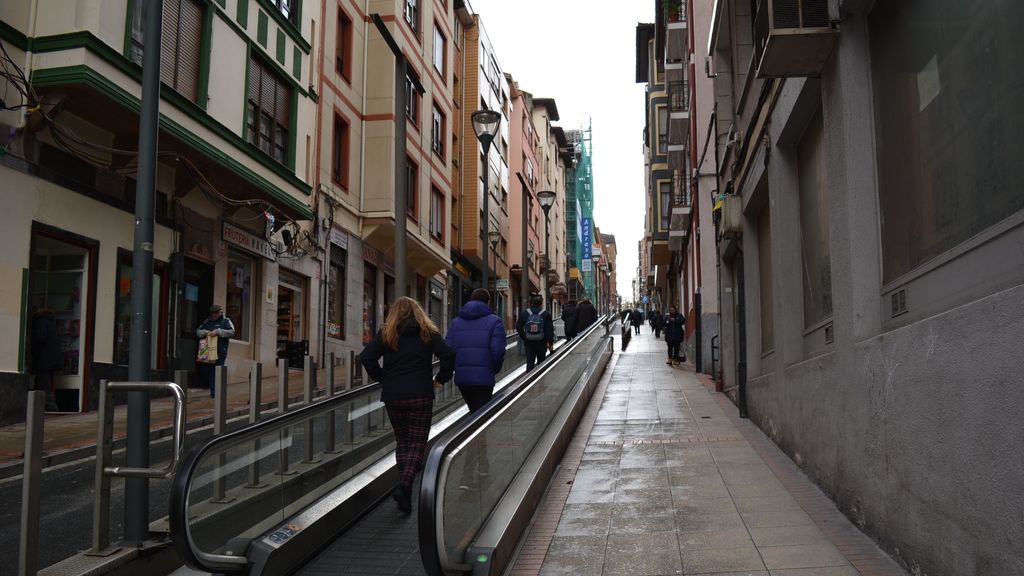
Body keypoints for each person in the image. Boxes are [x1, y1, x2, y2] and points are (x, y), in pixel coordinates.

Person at [360, 297, 455, 513]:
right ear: (418, 311)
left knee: (402, 441)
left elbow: (366, 357)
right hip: (420, 394)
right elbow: (448, 354)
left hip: (394, 395)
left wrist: (383, 378)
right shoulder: (426, 332)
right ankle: (405, 485)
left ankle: (406, 490)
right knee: (417, 442)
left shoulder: (387, 333)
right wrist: (441, 378)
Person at [445, 288, 506, 413]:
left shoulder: (455, 322)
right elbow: (497, 351)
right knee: (480, 417)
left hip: (462, 379)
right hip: (484, 379)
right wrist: (494, 369)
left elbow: (448, 348)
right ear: (488, 302)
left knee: (474, 412)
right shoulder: (495, 321)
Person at [196, 304, 235, 398]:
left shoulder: (226, 321)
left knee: (216, 371)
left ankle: (215, 392)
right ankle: (214, 389)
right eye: (213, 313)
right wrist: (204, 332)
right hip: (207, 351)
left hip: (220, 350)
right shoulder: (207, 321)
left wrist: (218, 332)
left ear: (220, 312)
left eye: (217, 313)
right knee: (206, 370)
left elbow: (232, 332)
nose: (215, 315)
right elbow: (198, 331)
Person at [30, 307, 62, 412]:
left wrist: (31, 345)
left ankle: (50, 408)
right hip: (52, 360)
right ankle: (49, 407)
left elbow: (40, 338)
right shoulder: (51, 322)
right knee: (47, 384)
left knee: (43, 384)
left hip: (44, 360)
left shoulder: (40, 322)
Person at [516, 295, 554, 371]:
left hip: (529, 342)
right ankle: (540, 380)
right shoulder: (545, 314)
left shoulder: (524, 313)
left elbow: (518, 327)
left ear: (531, 304)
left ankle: (529, 380)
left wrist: (524, 337)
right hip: (541, 342)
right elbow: (549, 330)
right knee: (541, 363)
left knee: (530, 362)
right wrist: (550, 343)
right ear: (541, 304)